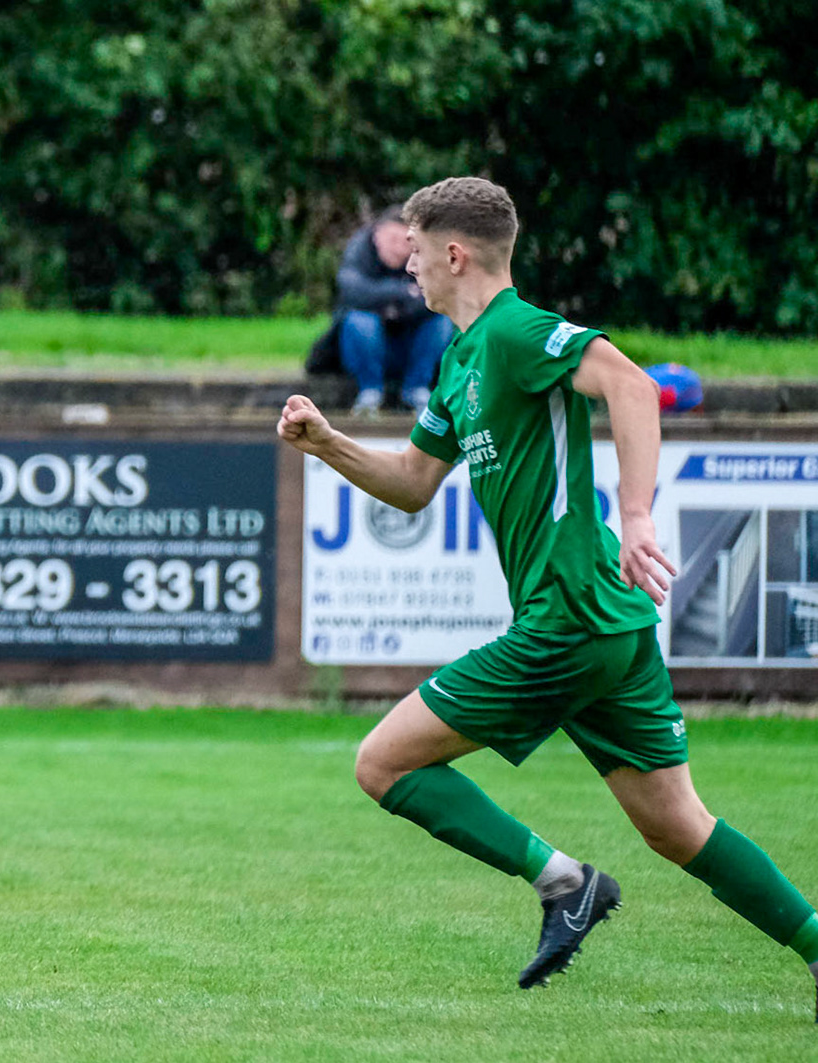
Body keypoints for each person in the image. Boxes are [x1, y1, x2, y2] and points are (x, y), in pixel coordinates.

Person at [277, 177, 818, 1018]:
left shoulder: (517, 330)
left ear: (455, 254)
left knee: (383, 763)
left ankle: (564, 881)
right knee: (677, 825)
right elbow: (414, 482)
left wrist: (635, 514)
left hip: (568, 615)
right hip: (605, 622)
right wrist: (328, 444)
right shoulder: (460, 359)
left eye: (415, 252)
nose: (408, 268)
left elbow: (631, 386)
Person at [334, 207, 455, 414]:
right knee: (360, 321)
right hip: (364, 349)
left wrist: (389, 304)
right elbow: (351, 290)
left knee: (441, 321)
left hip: (411, 345)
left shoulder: (425, 256)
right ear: (377, 235)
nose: (399, 249)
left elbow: (441, 295)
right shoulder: (358, 251)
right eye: (392, 240)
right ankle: (370, 391)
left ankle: (417, 389)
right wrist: (403, 293)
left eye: (406, 243)